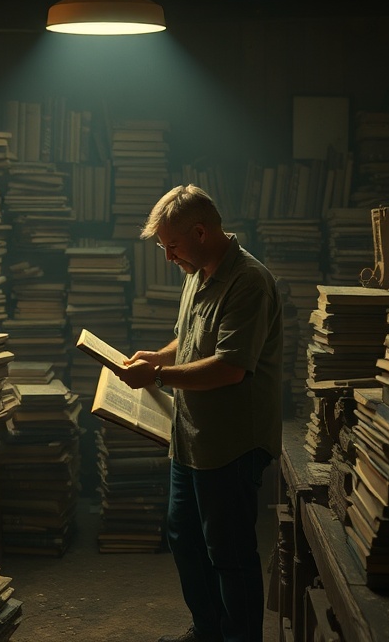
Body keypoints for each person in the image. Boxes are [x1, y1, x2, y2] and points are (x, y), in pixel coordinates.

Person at [119, 184, 283, 642]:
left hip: (231, 443)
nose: (169, 257)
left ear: (201, 231)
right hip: (191, 437)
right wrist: (159, 358)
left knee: (229, 554)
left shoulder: (248, 281)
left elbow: (230, 368)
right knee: (185, 540)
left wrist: (158, 379)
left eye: (172, 246)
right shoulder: (197, 271)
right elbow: (189, 341)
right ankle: (209, 631)